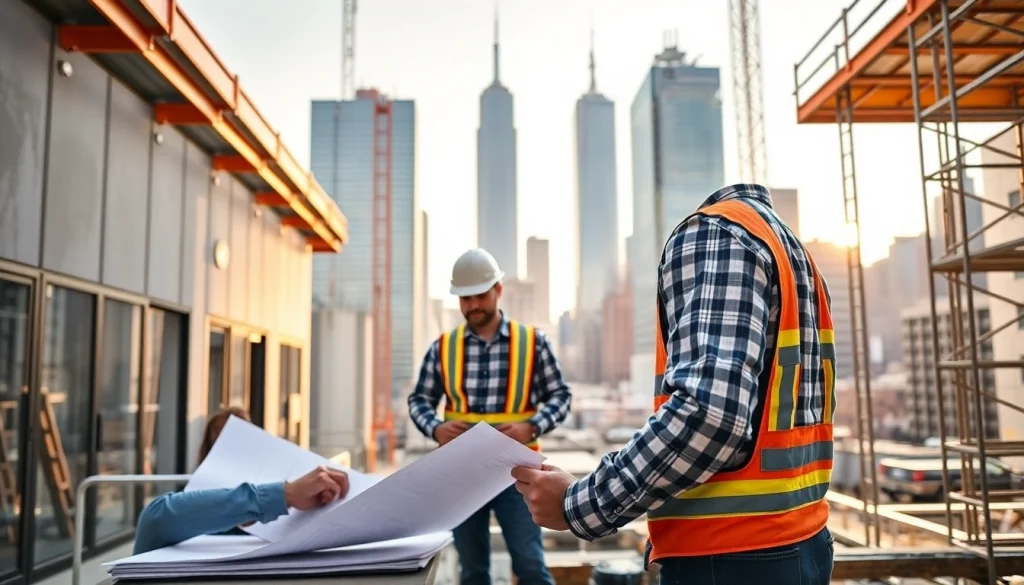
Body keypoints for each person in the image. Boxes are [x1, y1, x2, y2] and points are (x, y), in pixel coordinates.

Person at [512, 184, 837, 584]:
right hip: (802, 542)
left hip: (728, 557)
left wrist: (578, 504)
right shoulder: (791, 251)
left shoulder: (717, 234)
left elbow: (710, 417)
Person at [407, 247, 571, 585]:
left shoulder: (533, 343)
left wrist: (532, 426)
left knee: (529, 566)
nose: (473, 306)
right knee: (473, 571)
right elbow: (419, 399)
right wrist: (436, 428)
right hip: (462, 475)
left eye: (480, 296)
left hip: (519, 475)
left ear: (498, 290)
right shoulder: (443, 347)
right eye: (465, 299)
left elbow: (561, 396)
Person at [133, 407, 350, 554]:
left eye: (241, 438)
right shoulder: (192, 505)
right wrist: (283, 495)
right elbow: (155, 520)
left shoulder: (283, 506)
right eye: (221, 440)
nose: (231, 448)